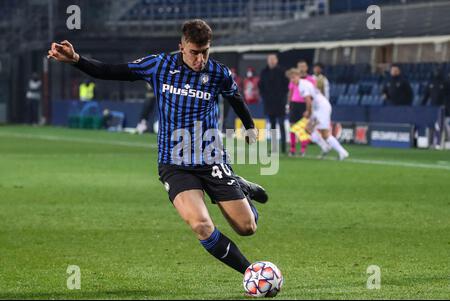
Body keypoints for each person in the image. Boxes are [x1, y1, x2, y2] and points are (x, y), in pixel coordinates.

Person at [47, 19, 269, 277]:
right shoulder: (159, 65)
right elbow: (111, 70)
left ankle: (240, 187)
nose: (200, 59)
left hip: (211, 160)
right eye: (194, 52)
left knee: (247, 227)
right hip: (174, 164)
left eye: (205, 51)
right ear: (181, 47)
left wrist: (250, 126)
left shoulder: (218, 73)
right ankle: (251, 273)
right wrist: (76, 59)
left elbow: (235, 98)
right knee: (201, 225)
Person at [287, 68, 349, 161]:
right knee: (308, 129)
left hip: (322, 108)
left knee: (325, 133)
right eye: (291, 78)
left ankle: (342, 152)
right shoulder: (301, 84)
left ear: (298, 76)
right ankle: (326, 147)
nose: (292, 80)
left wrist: (308, 112)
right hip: (318, 108)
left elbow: (308, 101)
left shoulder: (302, 85)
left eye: (294, 77)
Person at [259, 54, 289, 153]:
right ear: (267, 61)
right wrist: (264, 97)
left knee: (281, 124)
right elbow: (261, 86)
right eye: (270, 59)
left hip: (280, 102)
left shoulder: (282, 71)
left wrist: (283, 98)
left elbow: (287, 86)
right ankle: (274, 147)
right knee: (272, 126)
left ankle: (284, 148)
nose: (272, 61)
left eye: (273, 59)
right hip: (269, 103)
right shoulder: (264, 72)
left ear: (276, 60)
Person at [287, 60, 316, 156]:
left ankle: (303, 149)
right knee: (292, 126)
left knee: (304, 127)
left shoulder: (311, 79)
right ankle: (292, 148)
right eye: (300, 66)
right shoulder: (294, 79)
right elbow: (291, 92)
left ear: (307, 67)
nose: (302, 68)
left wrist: (309, 108)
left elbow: (313, 93)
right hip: (295, 103)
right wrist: (289, 103)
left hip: (305, 104)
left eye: (303, 66)